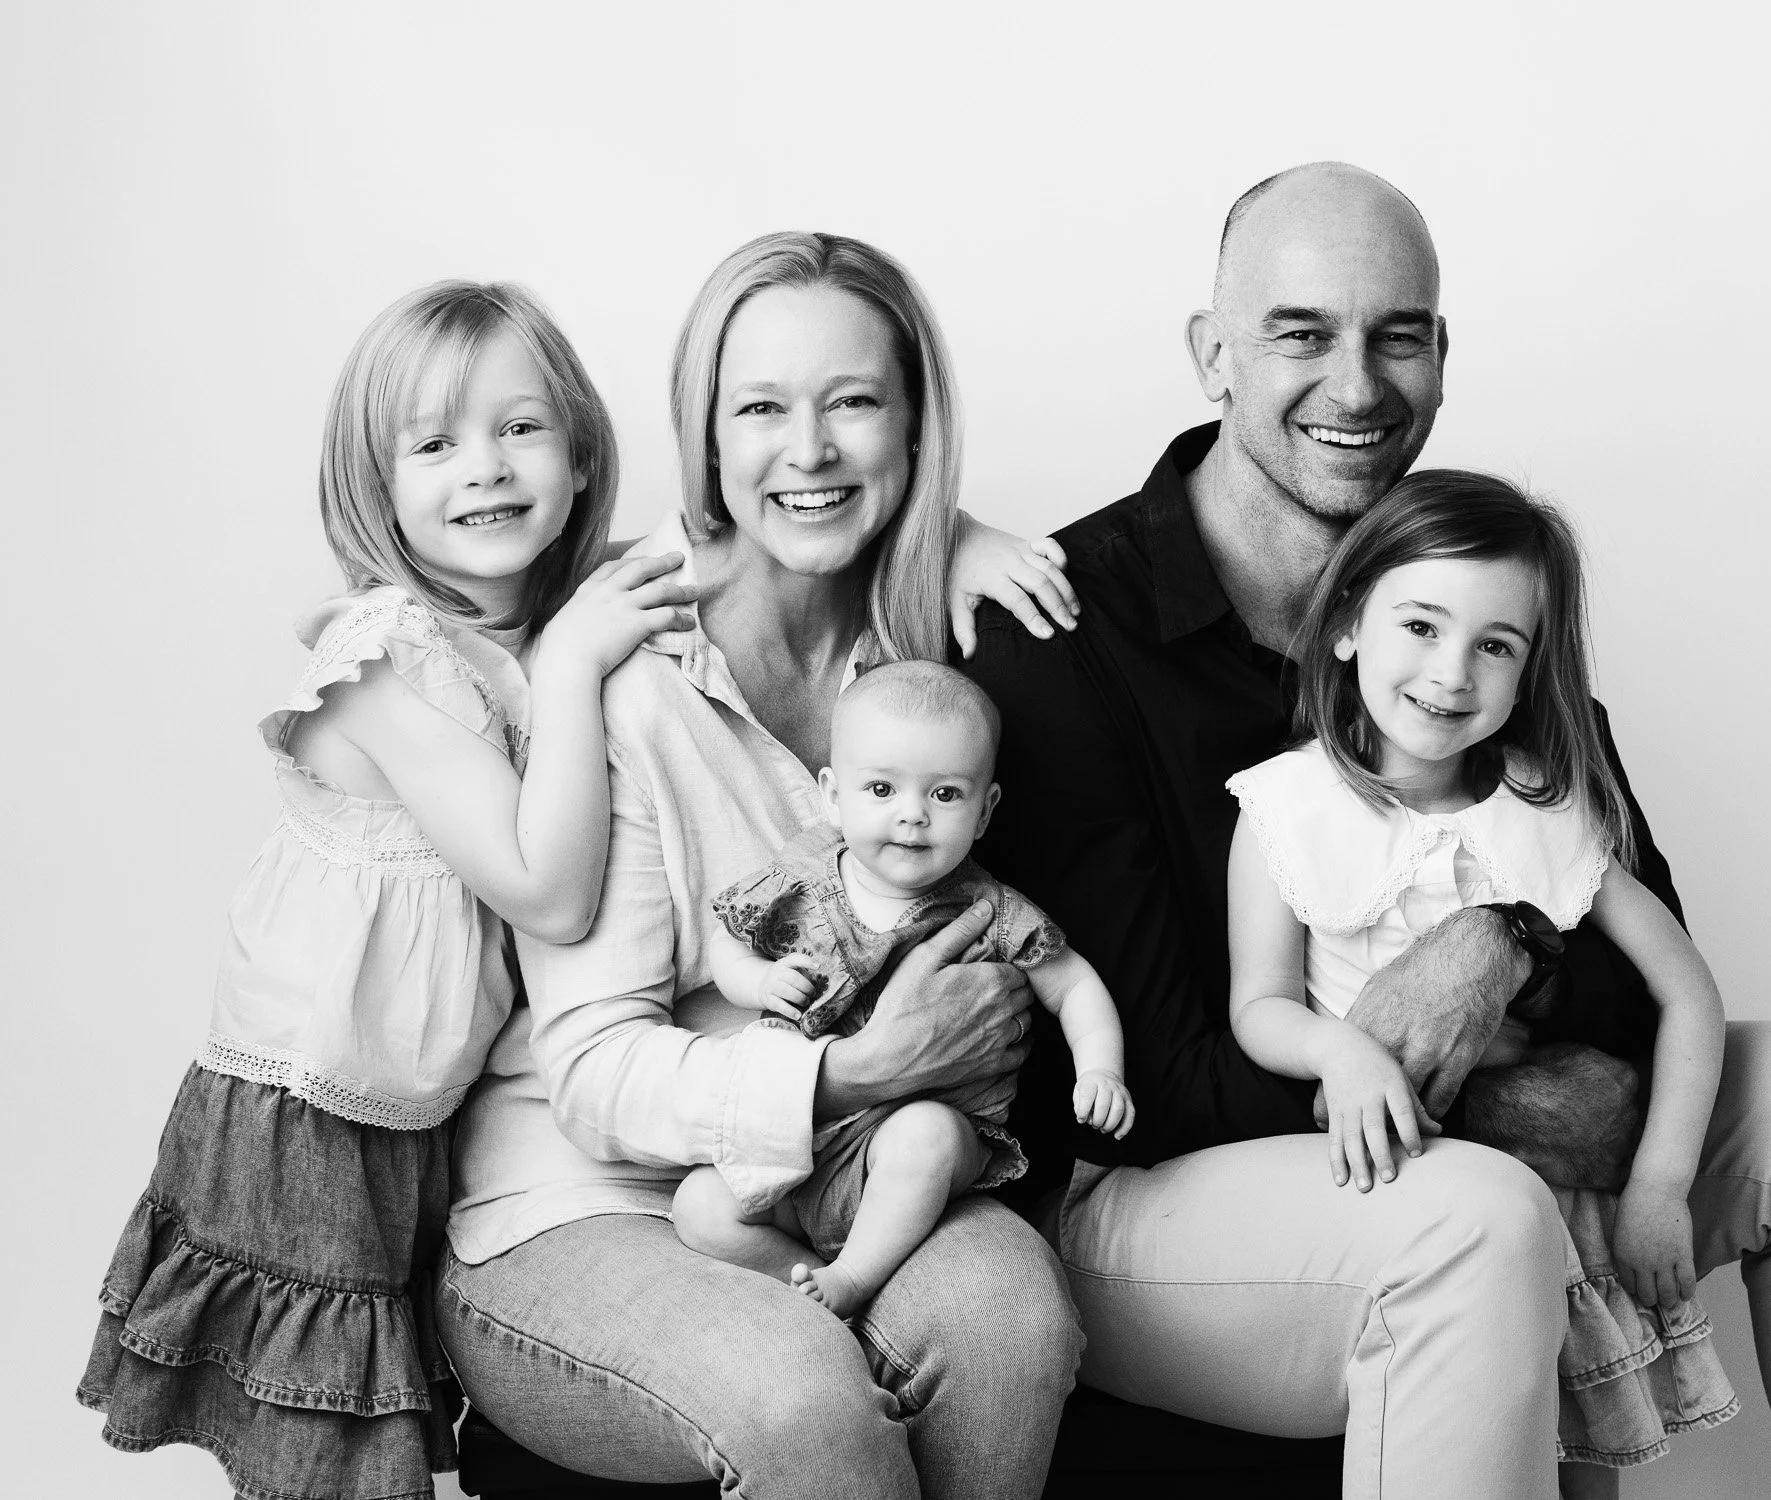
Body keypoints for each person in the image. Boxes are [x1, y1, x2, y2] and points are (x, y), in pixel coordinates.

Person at [966, 162, 1771, 1499]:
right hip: (1163, 1201)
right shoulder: (1063, 631)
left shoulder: (1481, 612)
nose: (1359, 385)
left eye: (1400, 336)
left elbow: (1638, 955)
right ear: (1211, 356)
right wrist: (1435, 1070)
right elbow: (1161, 1073)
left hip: (1500, 1139)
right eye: (1302, 332)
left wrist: (1497, 951)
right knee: (1480, 1215)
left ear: (1442, 359)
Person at [434, 232, 1083, 1500]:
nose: (811, 450)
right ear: (706, 434)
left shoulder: (938, 656)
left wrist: (956, 532)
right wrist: (854, 1072)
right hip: (580, 1202)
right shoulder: (630, 667)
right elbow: (591, 1073)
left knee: (1014, 1327)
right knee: (803, 1405)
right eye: (762, 408)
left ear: (912, 426)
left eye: (853, 403)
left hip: (832, 1182)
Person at [76, 281, 694, 1500]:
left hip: (419, 1112)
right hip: (308, 1116)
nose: (485, 468)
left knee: (402, 1448)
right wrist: (572, 667)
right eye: (433, 441)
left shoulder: (550, 618)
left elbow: (776, 533)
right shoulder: (380, 667)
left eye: (521, 427)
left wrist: (964, 538)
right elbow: (547, 894)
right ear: (377, 483)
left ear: (578, 452)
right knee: (334, 1467)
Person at [1227, 471, 1739, 1489]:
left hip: (1549, 1166)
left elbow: (1688, 993)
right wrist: (1338, 1052)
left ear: (1525, 674)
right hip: (1392, 1168)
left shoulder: (1545, 808)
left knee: (1581, 1450)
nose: (1450, 673)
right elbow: (1259, 1005)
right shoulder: (1285, 809)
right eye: (1418, 626)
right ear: (1343, 627)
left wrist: (1658, 1189)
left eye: (1493, 647)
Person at [676, 659, 1134, 1320]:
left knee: (923, 1136)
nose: (912, 816)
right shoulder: (804, 871)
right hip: (801, 1139)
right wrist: (758, 981)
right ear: (833, 795)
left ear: (984, 811)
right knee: (700, 1206)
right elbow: (728, 941)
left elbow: (1075, 987)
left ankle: (855, 1278)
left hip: (912, 1146)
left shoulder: (989, 910)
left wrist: (1102, 1070)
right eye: (882, 789)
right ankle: (804, 1286)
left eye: (945, 794)